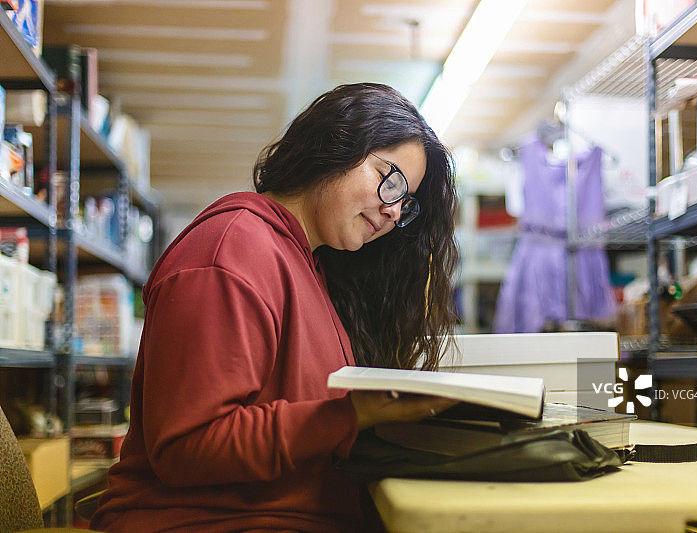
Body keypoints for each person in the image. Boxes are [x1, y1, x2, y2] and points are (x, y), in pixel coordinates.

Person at [91, 83, 460, 532]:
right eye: (391, 180)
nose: (393, 211)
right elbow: (189, 447)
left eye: (405, 202)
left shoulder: (308, 265)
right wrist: (351, 414)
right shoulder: (233, 249)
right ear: (335, 144)